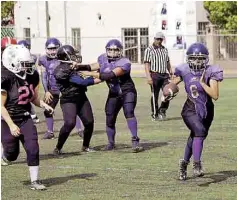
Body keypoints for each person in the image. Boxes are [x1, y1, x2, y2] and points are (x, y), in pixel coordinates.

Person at [1, 45, 54, 190]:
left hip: (25, 118)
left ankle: (35, 181)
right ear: (12, 62)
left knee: (33, 147)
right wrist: (11, 125)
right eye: (23, 63)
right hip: (8, 119)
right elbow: (1, 107)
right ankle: (5, 155)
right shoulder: (5, 77)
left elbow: (32, 97)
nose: (27, 66)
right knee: (12, 154)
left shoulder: (31, 75)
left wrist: (43, 104)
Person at [77, 39, 144, 153]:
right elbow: (93, 66)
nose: (112, 52)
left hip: (127, 92)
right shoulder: (103, 59)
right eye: (110, 50)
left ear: (120, 51)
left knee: (129, 112)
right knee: (109, 117)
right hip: (113, 93)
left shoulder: (125, 62)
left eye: (115, 50)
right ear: (106, 50)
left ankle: (135, 141)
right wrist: (79, 67)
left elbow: (109, 75)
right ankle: (111, 143)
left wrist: (89, 73)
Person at [172, 42, 223, 180]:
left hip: (207, 110)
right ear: (188, 59)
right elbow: (171, 83)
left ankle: (183, 163)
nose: (196, 61)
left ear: (205, 59)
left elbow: (215, 95)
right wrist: (167, 91)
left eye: (200, 58)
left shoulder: (211, 71)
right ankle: (197, 164)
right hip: (190, 109)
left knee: (196, 136)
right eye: (193, 58)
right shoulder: (184, 70)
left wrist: (202, 84)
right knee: (199, 132)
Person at [53, 45, 101, 154]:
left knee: (89, 122)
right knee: (70, 123)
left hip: (81, 97)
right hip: (68, 100)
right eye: (72, 55)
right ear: (66, 57)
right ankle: (58, 148)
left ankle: (85, 146)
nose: (75, 57)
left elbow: (84, 71)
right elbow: (82, 82)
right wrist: (101, 77)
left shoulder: (72, 66)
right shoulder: (60, 70)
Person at [38, 38, 83, 139]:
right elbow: (44, 77)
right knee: (47, 110)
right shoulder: (43, 60)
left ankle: (80, 129)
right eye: (50, 49)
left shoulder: (63, 57)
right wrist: (46, 91)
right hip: (52, 89)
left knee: (72, 110)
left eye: (55, 49)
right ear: (46, 49)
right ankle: (50, 132)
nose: (53, 51)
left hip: (65, 88)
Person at [144, 32, 173, 121]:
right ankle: (155, 114)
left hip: (164, 75)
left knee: (169, 93)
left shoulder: (165, 49)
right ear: (154, 39)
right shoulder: (149, 49)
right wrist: (148, 77)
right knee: (154, 95)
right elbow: (146, 64)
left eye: (161, 39)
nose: (159, 41)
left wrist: (171, 72)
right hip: (154, 74)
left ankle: (162, 110)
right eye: (158, 39)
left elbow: (167, 62)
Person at [18, 40, 40, 123]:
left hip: (30, 77)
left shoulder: (32, 57)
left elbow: (31, 68)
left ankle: (32, 114)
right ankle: (31, 114)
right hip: (20, 78)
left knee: (31, 95)